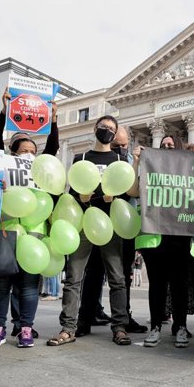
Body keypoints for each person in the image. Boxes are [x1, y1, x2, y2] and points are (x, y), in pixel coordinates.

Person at [0, 91, 59, 348]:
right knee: (1, 285)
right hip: (6, 229)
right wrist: (4, 111)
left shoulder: (41, 169)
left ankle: (25, 328)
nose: (28, 155)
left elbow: (53, 149)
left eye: (32, 151)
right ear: (12, 152)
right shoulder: (2, 164)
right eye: (23, 150)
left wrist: (54, 121)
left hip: (34, 232)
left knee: (27, 286)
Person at [48, 115, 134, 347]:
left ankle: (119, 327)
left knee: (117, 278)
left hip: (110, 223)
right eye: (103, 127)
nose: (106, 130)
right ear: (95, 129)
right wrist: (80, 196)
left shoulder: (120, 159)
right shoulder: (81, 158)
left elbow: (127, 191)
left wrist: (114, 196)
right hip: (84, 223)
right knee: (74, 277)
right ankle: (68, 327)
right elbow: (73, 190)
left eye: (111, 129)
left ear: (115, 134)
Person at [137, 134, 193, 348]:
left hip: (181, 237)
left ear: (179, 148)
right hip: (156, 238)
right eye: (163, 145)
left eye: (171, 145)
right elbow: (136, 191)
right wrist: (136, 162)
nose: (167, 147)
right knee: (157, 286)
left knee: (180, 286)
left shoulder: (188, 172)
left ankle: (180, 327)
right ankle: (155, 328)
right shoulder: (150, 171)